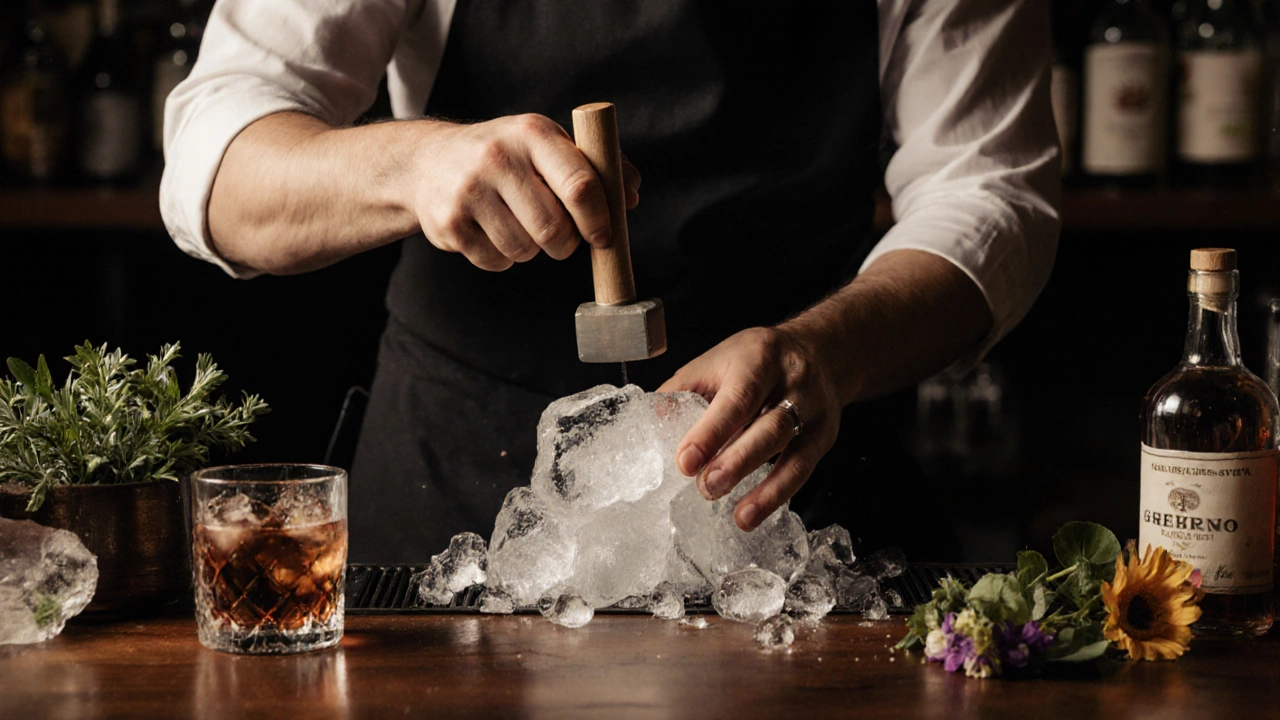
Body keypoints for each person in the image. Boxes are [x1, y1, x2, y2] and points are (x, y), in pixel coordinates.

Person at [161, 0, 1060, 563]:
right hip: (458, 489)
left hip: (779, 485)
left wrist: (829, 350)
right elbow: (217, 168)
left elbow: (992, 188)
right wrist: (416, 163)